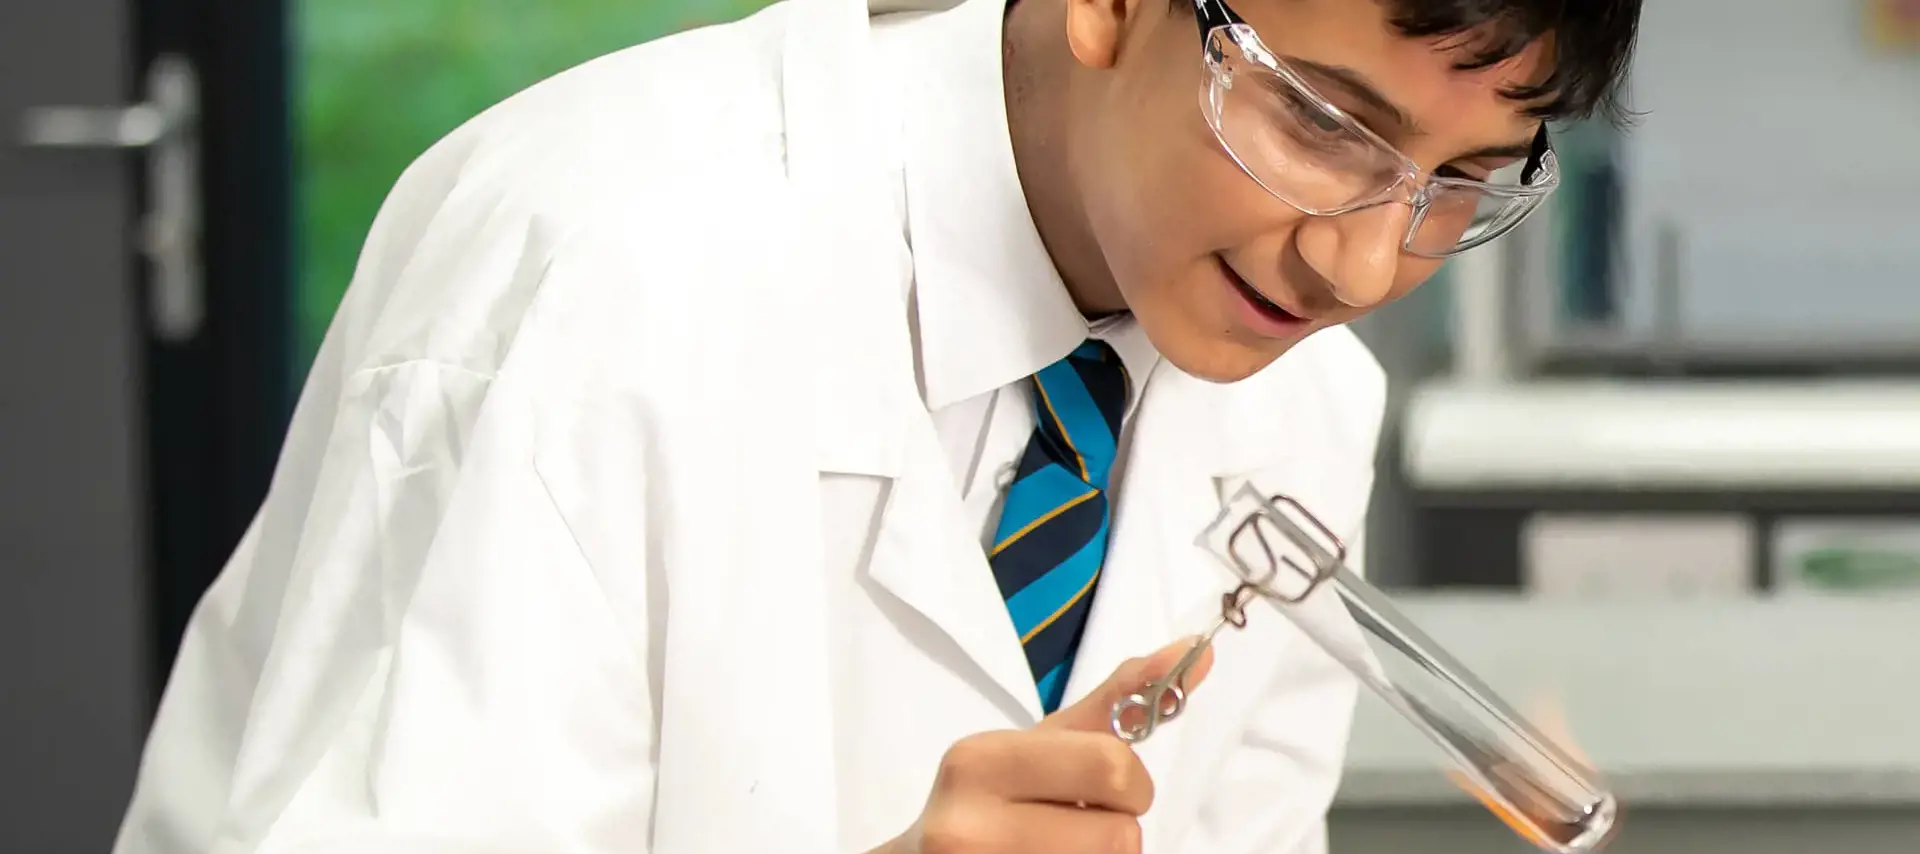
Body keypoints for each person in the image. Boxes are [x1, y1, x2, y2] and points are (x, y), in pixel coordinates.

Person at [112, 0, 1639, 851]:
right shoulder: (601, 264)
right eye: (1319, 119)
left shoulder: (1299, 392)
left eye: (1464, 182)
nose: (1367, 262)